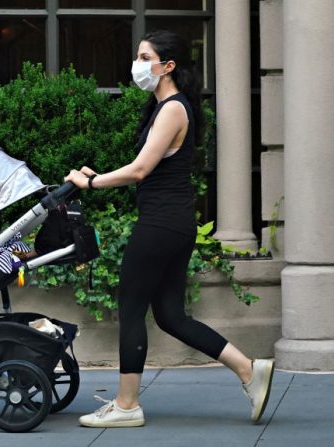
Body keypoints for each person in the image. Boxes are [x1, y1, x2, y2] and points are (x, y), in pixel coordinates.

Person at [64, 30, 274, 428]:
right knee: (171, 316)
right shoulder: (166, 109)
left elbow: (141, 170)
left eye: (145, 58)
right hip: (173, 223)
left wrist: (90, 183)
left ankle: (127, 406)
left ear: (168, 66)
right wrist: (98, 175)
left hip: (161, 224)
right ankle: (249, 369)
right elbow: (148, 167)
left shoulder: (173, 109)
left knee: (130, 308)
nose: (138, 65)